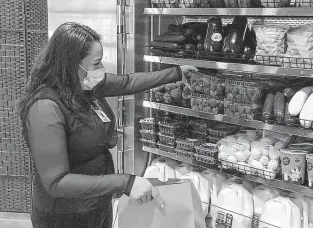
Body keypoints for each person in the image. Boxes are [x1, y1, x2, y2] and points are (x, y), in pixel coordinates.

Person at [18, 22, 197, 228]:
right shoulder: (45, 108)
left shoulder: (83, 86)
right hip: (64, 217)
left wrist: (176, 73)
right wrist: (125, 182)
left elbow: (128, 82)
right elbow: (56, 182)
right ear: (71, 64)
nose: (101, 70)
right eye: (96, 63)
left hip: (96, 206)